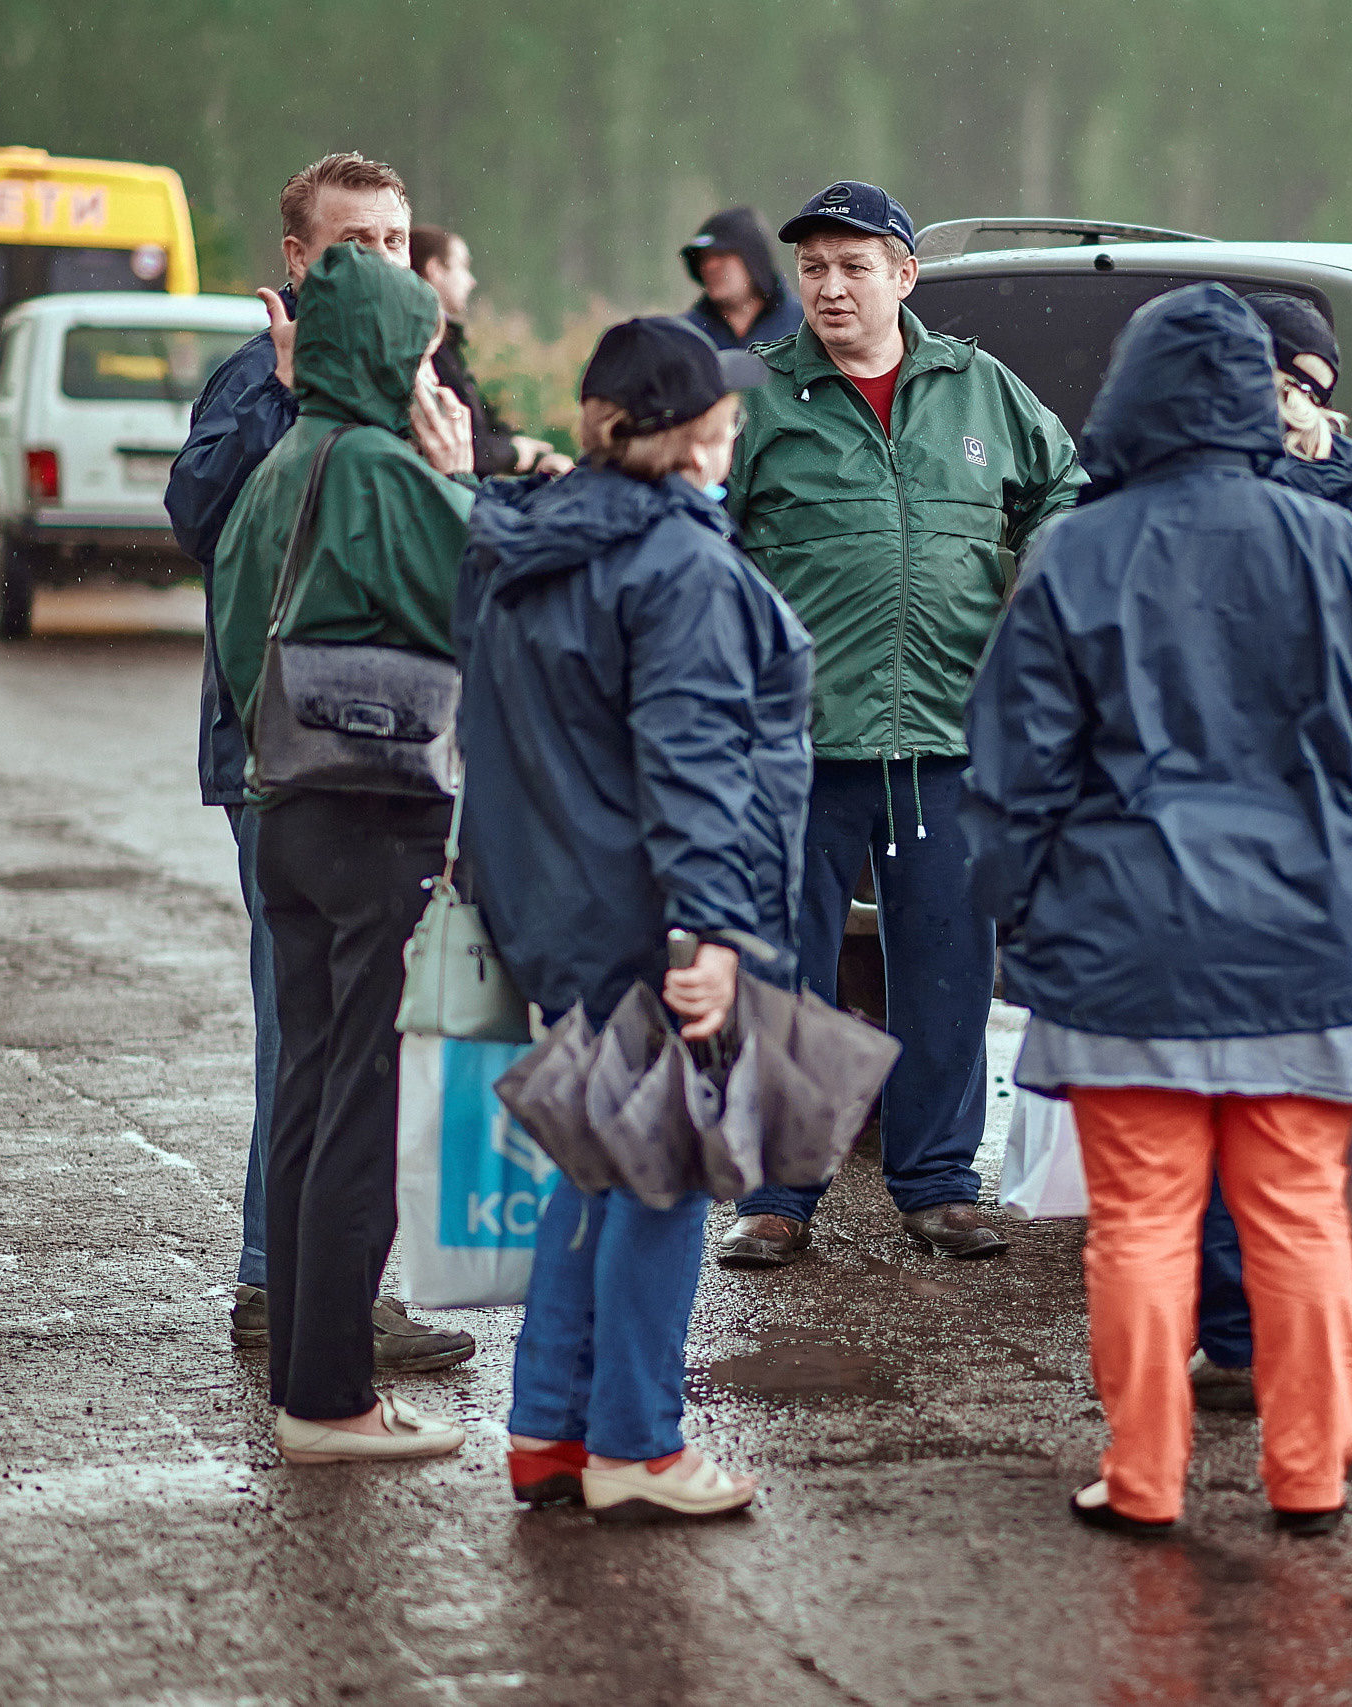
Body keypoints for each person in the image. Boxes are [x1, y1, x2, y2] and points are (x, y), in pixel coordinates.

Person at [961, 282, 1352, 1536]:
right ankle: (1310, 1472)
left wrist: (1016, 916)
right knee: (1295, 1219)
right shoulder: (1338, 543)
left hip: (1124, 944)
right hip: (1309, 931)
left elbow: (1014, 768)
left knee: (1138, 1227)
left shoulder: (1078, 549)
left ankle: (1143, 1482)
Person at [457, 317, 807, 1519]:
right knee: (661, 1182)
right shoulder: (683, 567)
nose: (737, 426)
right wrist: (708, 933)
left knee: (598, 1167)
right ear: (689, 435)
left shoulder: (520, 546)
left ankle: (549, 1435)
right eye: (723, 412)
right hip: (647, 922)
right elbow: (696, 760)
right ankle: (638, 1450)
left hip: (552, 914)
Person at [716, 180, 1082, 1268]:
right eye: (815, 268)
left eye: (854, 266)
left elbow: (1061, 487)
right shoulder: (763, 398)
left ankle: (936, 1184)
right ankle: (780, 1196)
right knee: (789, 974)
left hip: (942, 738)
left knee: (946, 964)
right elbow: (703, 528)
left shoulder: (980, 391)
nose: (831, 287)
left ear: (903, 277)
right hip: (800, 744)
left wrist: (1037, 597)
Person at [163, 151, 474, 1374]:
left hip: (366, 755)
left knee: (333, 1036)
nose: (382, 264)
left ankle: (309, 1287)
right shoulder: (265, 380)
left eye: (397, 241)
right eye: (354, 245)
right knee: (318, 1035)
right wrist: (302, 402)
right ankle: (287, 1289)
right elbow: (206, 523)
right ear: (296, 262)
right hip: (299, 759)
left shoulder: (406, 375)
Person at [1185, 290, 1352, 1413]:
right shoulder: (1187, 492)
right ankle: (1241, 1336)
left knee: (1297, 1113)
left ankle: (1299, 1327)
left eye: (1286, 379)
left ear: (1314, 383)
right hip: (1217, 849)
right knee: (1218, 1109)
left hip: (1322, 847)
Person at [410, 224, 572, 477]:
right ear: (435, 270)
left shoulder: (445, 343)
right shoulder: (428, 349)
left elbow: (482, 422)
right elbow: (464, 444)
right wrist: (517, 452)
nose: (471, 281)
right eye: (463, 266)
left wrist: (526, 450)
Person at [681, 207, 805, 351]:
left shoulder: (806, 325)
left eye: (721, 254)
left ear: (753, 260)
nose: (709, 266)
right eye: (704, 257)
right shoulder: (685, 335)